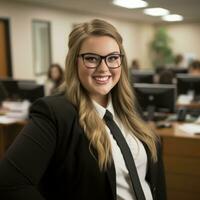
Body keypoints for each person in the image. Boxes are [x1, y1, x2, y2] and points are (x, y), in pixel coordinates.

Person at [0, 19, 166, 200]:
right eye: (92, 58)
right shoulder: (55, 113)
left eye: (112, 58)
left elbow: (152, 181)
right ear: (74, 62)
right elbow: (9, 183)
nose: (104, 68)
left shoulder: (129, 107)